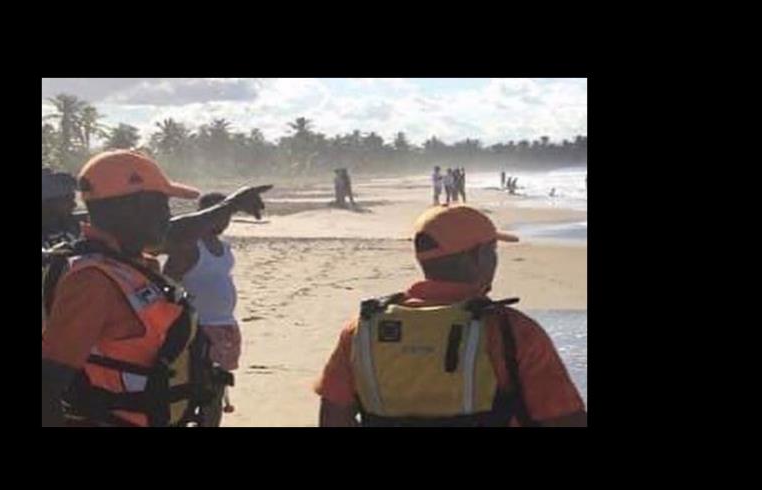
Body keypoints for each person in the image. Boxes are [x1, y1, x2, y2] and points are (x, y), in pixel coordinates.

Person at [42, 150, 271, 427]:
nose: (168, 216)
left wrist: (230, 206)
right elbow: (48, 386)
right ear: (134, 208)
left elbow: (181, 230)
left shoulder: (127, 259)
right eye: (162, 205)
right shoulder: (93, 281)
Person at [315, 205, 587, 427]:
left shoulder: (362, 329)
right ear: (478, 256)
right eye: (492, 251)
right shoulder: (512, 330)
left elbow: (333, 417)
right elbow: (565, 419)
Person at [163, 192, 242, 427]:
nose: (222, 220)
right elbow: (167, 284)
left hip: (225, 326)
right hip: (197, 329)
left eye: (226, 215)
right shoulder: (189, 248)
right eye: (216, 214)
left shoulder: (225, 248)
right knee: (197, 387)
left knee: (218, 387)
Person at [42, 168, 80, 250]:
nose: (74, 205)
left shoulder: (70, 223)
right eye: (68, 199)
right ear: (48, 202)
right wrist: (50, 254)